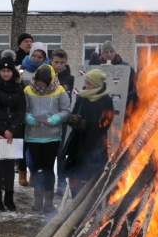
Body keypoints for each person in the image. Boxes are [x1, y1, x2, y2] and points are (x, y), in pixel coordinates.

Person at [24, 64, 70, 211]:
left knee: (49, 169)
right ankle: (37, 200)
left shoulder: (60, 90)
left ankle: (48, 202)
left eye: (44, 83)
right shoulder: (27, 90)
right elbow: (22, 111)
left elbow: (66, 111)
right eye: (39, 83)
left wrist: (53, 120)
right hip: (33, 136)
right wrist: (32, 120)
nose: (41, 86)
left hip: (52, 137)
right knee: (36, 169)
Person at [63, 68, 114, 196]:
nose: (87, 85)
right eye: (86, 82)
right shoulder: (82, 96)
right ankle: (75, 202)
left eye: (90, 83)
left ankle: (90, 207)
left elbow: (105, 123)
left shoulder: (106, 100)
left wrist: (85, 124)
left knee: (91, 178)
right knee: (75, 177)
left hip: (94, 145)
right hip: (77, 143)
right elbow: (74, 113)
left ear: (97, 85)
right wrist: (72, 119)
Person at [0, 51, 25, 211]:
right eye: (3, 71)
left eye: (9, 71)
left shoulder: (19, 88)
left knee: (10, 165)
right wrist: (4, 130)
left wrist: (13, 129)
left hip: (13, 132)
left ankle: (9, 196)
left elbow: (21, 110)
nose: (6, 74)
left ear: (13, 72)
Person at [50, 48, 75, 194]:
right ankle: (48, 182)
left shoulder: (71, 79)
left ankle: (61, 181)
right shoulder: (47, 76)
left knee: (61, 154)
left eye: (61, 62)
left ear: (66, 63)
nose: (58, 65)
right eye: (56, 62)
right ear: (51, 61)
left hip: (64, 122)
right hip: (47, 121)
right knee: (48, 153)